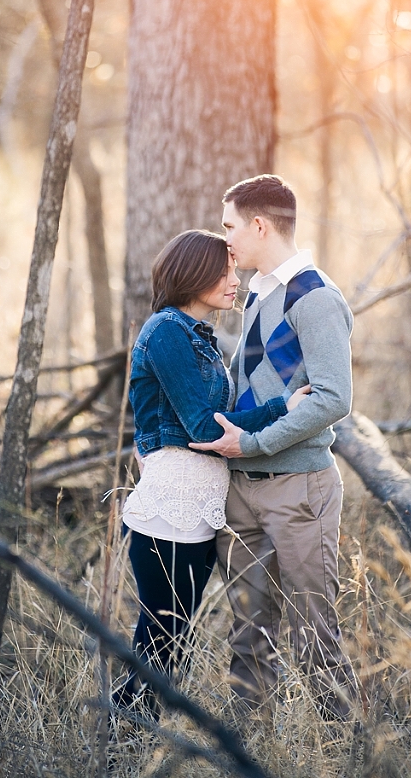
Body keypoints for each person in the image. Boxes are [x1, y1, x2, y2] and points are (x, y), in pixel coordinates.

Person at [114, 229, 309, 717]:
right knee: (161, 642)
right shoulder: (165, 332)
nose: (234, 280)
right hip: (169, 515)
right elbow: (204, 428)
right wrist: (279, 409)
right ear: (191, 274)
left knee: (174, 644)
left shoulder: (196, 336)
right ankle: (123, 740)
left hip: (199, 513)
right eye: (222, 272)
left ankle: (137, 737)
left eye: (233, 270)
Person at [190, 174, 358, 720]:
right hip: (243, 490)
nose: (225, 241)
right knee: (248, 631)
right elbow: (258, 380)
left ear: (259, 225)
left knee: (314, 631)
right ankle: (252, 745)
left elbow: (333, 398)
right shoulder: (259, 289)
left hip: (297, 489)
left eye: (230, 227)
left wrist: (253, 441)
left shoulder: (316, 298)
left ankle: (341, 750)